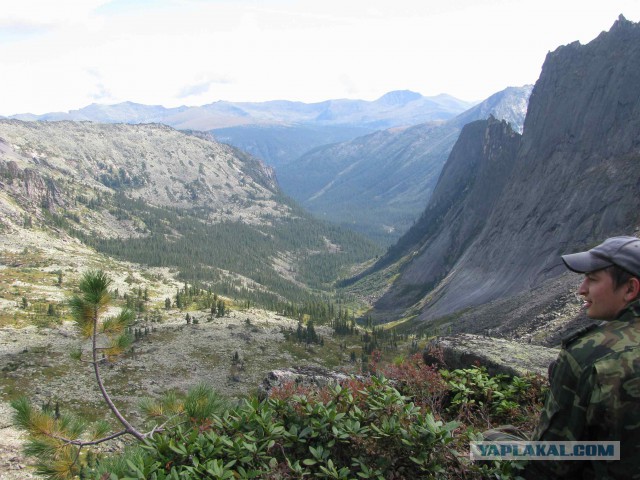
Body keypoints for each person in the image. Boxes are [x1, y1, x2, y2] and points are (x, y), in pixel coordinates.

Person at [524, 236, 640, 479]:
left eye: (593, 279)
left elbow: (548, 463)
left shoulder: (587, 354)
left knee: (491, 442)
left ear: (630, 288)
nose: (581, 289)